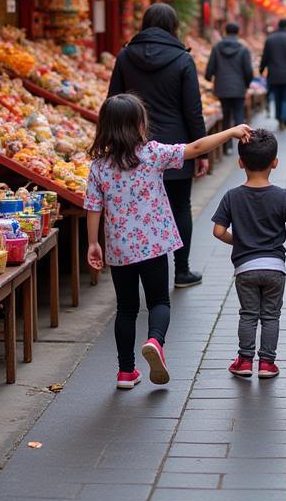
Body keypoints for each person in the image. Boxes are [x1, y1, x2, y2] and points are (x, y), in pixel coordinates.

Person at [85, 94, 252, 390]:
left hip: (120, 248)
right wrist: (232, 131)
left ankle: (126, 372)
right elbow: (196, 148)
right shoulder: (152, 153)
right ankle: (154, 341)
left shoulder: (99, 166)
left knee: (125, 308)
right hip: (154, 244)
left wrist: (92, 244)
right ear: (139, 124)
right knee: (159, 300)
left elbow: (93, 207)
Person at [108, 2, 206, 289]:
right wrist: (201, 151)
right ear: (174, 27)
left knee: (133, 206)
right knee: (179, 206)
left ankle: (137, 271)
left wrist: (112, 144)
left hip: (132, 147)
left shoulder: (126, 56)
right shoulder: (182, 59)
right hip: (176, 146)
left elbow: (113, 100)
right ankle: (182, 270)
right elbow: (193, 110)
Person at [212, 129, 286, 379]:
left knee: (249, 314)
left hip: (246, 269)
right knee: (271, 316)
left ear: (240, 162)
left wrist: (239, 241)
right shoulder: (283, 196)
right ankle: (267, 363)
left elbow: (218, 231)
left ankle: (244, 360)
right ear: (274, 163)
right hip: (275, 268)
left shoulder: (232, 196)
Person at [205, 23, 253, 153]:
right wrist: (247, 84)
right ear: (238, 33)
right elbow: (248, 71)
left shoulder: (216, 48)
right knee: (238, 115)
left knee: (226, 115)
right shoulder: (243, 49)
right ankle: (243, 146)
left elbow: (210, 67)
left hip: (222, 88)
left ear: (225, 32)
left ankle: (228, 147)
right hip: (238, 88)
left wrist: (209, 78)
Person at [260, 18, 286, 130]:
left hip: (274, 74)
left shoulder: (270, 39)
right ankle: (283, 118)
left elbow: (265, 57)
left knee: (277, 97)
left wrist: (261, 69)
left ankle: (279, 118)